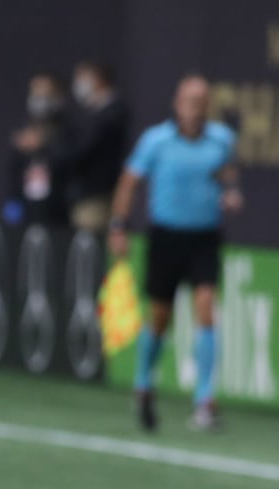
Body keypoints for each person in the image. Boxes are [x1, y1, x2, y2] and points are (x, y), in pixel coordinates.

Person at [109, 73, 240, 431]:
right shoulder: (156, 141)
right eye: (189, 101)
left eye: (201, 102)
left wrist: (230, 192)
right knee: (160, 315)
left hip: (204, 237)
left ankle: (204, 399)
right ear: (177, 103)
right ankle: (143, 383)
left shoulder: (222, 140)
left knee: (205, 305)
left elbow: (226, 174)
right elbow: (129, 181)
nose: (195, 109)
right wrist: (118, 225)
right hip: (166, 237)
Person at [64, 60, 131, 234]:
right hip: (83, 194)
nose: (78, 84)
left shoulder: (112, 112)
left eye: (82, 78)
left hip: (96, 195)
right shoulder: (89, 112)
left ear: (98, 79)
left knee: (91, 243)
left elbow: (85, 149)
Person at [5, 74, 71, 228]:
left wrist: (44, 146)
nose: (39, 100)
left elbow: (71, 161)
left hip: (60, 209)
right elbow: (14, 170)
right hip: (29, 208)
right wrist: (14, 201)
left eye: (45, 95)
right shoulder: (27, 127)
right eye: (35, 94)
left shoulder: (69, 128)